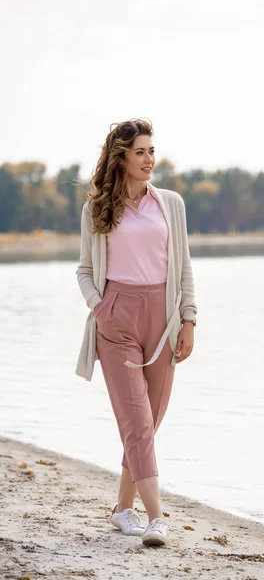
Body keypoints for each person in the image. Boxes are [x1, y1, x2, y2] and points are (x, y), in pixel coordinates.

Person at [75, 118, 197, 547]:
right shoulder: (97, 209)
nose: (149, 159)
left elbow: (183, 267)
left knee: (149, 420)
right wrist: (100, 306)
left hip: (163, 320)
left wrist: (189, 319)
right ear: (121, 157)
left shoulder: (171, 204)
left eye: (151, 150)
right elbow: (86, 271)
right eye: (140, 152)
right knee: (137, 420)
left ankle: (121, 509)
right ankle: (156, 517)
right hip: (117, 319)